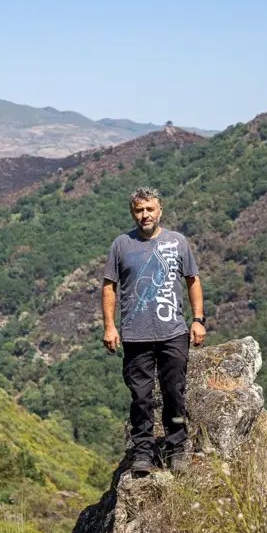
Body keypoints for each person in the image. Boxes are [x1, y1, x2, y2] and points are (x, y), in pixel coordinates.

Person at [102, 187, 205, 474]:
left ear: (160, 211)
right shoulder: (121, 245)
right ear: (132, 213)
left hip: (173, 332)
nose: (144, 215)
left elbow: (193, 280)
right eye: (139, 210)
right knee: (141, 397)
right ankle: (143, 453)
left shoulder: (177, 242)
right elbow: (109, 286)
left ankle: (177, 448)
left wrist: (199, 319)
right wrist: (109, 326)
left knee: (175, 392)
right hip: (135, 335)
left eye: (149, 209)